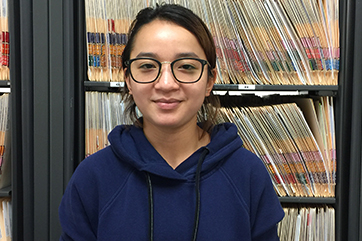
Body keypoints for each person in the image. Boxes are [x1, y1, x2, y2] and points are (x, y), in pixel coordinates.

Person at [59, 3, 284, 241]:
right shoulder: (93, 177)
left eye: (186, 66)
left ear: (210, 81)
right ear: (128, 79)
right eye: (147, 66)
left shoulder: (248, 173)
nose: (166, 84)